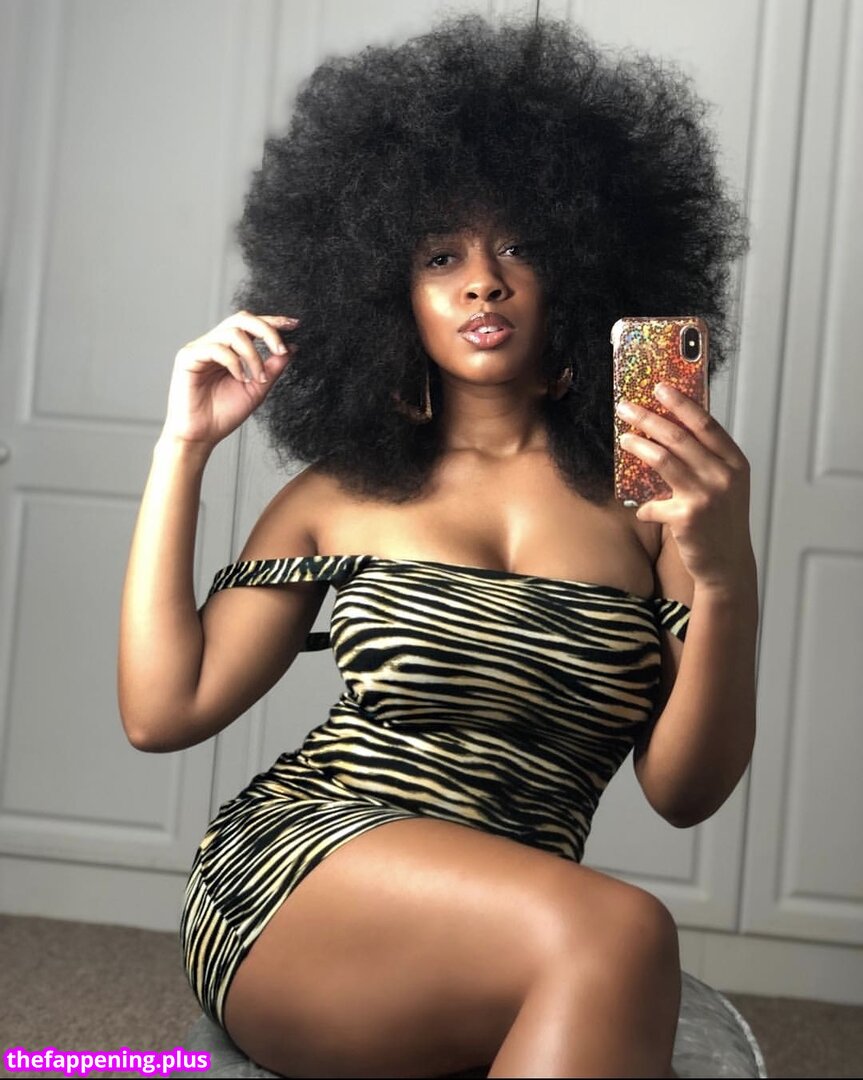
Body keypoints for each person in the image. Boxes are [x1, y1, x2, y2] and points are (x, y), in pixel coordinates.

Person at [118, 13, 758, 1079]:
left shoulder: (656, 506)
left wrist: (725, 573)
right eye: (439, 255)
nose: (482, 282)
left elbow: (683, 793)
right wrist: (181, 448)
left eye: (520, 246)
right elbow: (161, 711)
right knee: (622, 931)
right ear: (386, 291)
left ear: (586, 265)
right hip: (303, 876)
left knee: (608, 944)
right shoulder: (338, 494)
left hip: (516, 921)